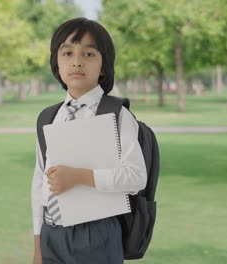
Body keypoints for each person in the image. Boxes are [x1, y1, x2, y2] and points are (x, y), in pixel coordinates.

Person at [31, 17, 147, 264]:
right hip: (52, 234)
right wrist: (38, 242)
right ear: (57, 62)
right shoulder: (48, 118)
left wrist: (79, 177)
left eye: (89, 54)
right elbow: (40, 180)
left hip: (97, 234)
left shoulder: (116, 114)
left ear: (104, 66)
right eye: (67, 53)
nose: (76, 61)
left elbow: (136, 177)